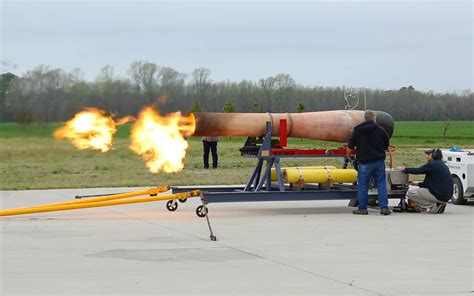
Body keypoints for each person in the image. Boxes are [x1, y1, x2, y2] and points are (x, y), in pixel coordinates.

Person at [348, 110, 391, 215]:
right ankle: (384, 208)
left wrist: (349, 155)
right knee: (381, 184)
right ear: (374, 118)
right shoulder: (381, 130)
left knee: (363, 186)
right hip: (379, 162)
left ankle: (362, 209)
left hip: (364, 163)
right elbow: (386, 144)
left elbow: (350, 145)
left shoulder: (358, 130)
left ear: (365, 118)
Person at [402, 148, 452, 214]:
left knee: (411, 193)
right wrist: (417, 184)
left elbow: (418, 170)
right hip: (446, 196)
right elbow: (430, 183)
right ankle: (439, 203)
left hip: (440, 195)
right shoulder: (443, 165)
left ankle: (434, 206)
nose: (427, 157)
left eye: (429, 155)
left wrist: (405, 169)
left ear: (433, 155)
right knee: (422, 190)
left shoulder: (432, 164)